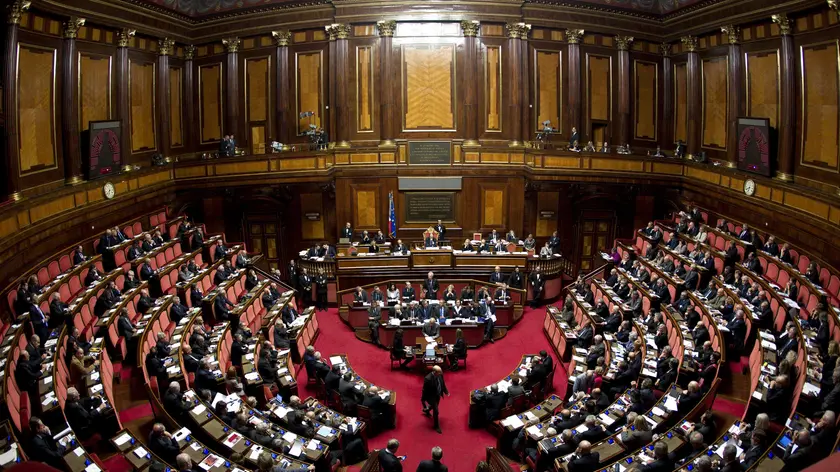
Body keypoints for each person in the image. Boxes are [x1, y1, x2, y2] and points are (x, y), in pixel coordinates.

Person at [422, 366, 449, 433]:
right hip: (432, 396)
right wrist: (423, 398)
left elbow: (443, 383)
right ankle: (436, 426)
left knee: (434, 406)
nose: (441, 373)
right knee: (436, 411)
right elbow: (425, 390)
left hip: (438, 394)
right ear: (434, 372)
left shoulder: (440, 374)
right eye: (439, 372)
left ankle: (427, 409)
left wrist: (446, 391)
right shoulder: (428, 379)